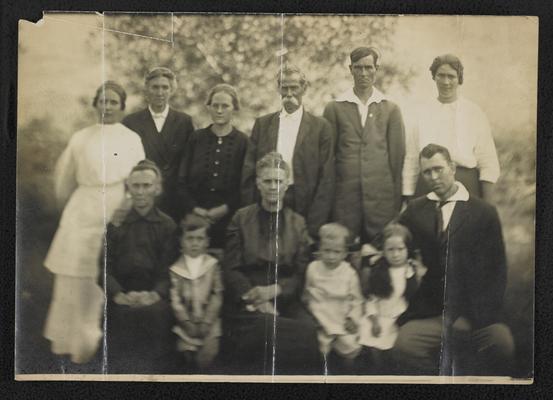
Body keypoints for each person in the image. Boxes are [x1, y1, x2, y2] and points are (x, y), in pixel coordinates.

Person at [43, 81, 145, 364]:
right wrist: (72, 207)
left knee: (105, 273)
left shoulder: (131, 138)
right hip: (82, 207)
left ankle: (104, 341)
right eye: (103, 101)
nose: (108, 107)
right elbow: (63, 179)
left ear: (122, 107)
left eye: (114, 102)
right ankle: (71, 341)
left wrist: (125, 209)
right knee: (74, 277)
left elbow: (139, 179)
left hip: (116, 207)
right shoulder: (80, 138)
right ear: (95, 104)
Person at [393, 144, 514, 376]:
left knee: (503, 344)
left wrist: (469, 317)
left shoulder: (483, 212)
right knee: (404, 345)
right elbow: (393, 239)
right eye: (427, 172)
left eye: (439, 169)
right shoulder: (415, 210)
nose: (434, 177)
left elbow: (497, 272)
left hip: (477, 315)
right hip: (434, 313)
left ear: (452, 167)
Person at [224, 152, 322, 375]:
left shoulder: (298, 223)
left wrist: (275, 291)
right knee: (264, 328)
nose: (272, 186)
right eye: (267, 181)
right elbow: (230, 268)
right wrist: (255, 298)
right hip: (247, 300)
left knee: (307, 329)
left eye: (278, 181)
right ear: (258, 183)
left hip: (285, 296)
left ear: (287, 184)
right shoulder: (241, 218)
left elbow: (301, 272)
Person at [102, 160, 179, 373]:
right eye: (136, 186)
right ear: (129, 188)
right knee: (120, 323)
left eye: (147, 186)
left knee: (154, 319)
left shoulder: (167, 225)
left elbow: (169, 270)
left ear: (157, 188)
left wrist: (154, 294)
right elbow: (103, 268)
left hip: (154, 298)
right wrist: (117, 294)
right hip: (122, 295)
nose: (141, 192)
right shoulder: (116, 224)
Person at [241, 65, 334, 239]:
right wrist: (252, 214)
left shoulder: (320, 127)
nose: (289, 94)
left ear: (304, 88)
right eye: (285, 88)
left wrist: (314, 225)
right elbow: (249, 172)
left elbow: (326, 179)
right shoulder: (263, 124)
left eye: (294, 88)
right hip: (267, 201)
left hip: (304, 205)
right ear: (278, 89)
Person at [323, 47, 405, 243]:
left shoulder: (390, 109)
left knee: (378, 253)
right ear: (351, 69)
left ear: (376, 69)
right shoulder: (335, 107)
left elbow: (397, 158)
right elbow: (327, 159)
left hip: (380, 200)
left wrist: (395, 200)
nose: (363, 73)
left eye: (369, 68)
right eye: (358, 68)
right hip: (345, 200)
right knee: (346, 251)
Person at [402, 54, 500, 201]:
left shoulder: (473, 112)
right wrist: (408, 196)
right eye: (440, 75)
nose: (445, 82)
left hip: (466, 186)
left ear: (459, 79)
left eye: (451, 76)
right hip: (428, 187)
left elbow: (487, 161)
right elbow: (411, 158)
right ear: (434, 77)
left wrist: (488, 205)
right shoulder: (422, 113)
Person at [177, 84, 248, 248]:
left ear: (234, 108)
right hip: (194, 218)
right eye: (215, 105)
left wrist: (225, 208)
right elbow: (181, 180)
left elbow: (245, 185)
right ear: (208, 107)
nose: (220, 110)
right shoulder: (196, 139)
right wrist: (195, 209)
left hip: (230, 218)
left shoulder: (243, 142)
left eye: (225, 106)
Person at [122, 67, 195, 221]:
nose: (160, 92)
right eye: (155, 87)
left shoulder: (184, 121)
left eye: (165, 87)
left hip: (175, 198)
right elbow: (125, 163)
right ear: (147, 89)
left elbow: (189, 162)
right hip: (144, 195)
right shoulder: (131, 122)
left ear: (171, 90)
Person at [358, 223, 425, 371]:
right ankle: (377, 373)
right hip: (378, 317)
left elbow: (415, 300)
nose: (395, 255)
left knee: (396, 351)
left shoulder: (411, 271)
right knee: (373, 346)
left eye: (400, 249)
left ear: (408, 249)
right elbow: (371, 299)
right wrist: (374, 320)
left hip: (400, 320)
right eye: (390, 250)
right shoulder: (379, 271)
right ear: (383, 250)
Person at [302, 223, 363, 372]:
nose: (331, 256)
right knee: (319, 346)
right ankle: (323, 371)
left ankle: (349, 372)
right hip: (320, 314)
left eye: (336, 252)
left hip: (341, 314)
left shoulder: (349, 273)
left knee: (350, 345)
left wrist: (352, 317)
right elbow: (306, 293)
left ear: (344, 253)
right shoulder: (313, 268)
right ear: (319, 250)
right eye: (326, 251)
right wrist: (310, 313)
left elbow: (357, 299)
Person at [170, 214, 223, 372]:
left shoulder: (212, 265)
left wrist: (207, 322)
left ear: (207, 242)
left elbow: (217, 294)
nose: (194, 243)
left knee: (209, 354)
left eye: (199, 239)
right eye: (190, 238)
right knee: (185, 355)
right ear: (181, 241)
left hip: (209, 323)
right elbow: (175, 300)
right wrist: (186, 322)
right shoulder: (175, 269)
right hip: (185, 325)